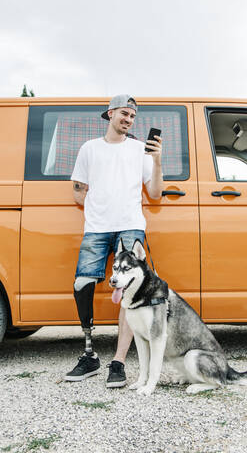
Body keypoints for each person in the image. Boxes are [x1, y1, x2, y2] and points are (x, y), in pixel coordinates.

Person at [64, 94, 163, 386]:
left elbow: (155, 193)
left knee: (131, 290)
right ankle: (89, 354)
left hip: (130, 225)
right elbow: (78, 191)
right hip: (96, 227)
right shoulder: (89, 149)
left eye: (132, 116)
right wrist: (99, 205)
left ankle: (118, 362)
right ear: (110, 113)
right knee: (82, 285)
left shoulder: (139, 150)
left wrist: (156, 161)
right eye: (124, 113)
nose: (128, 119)